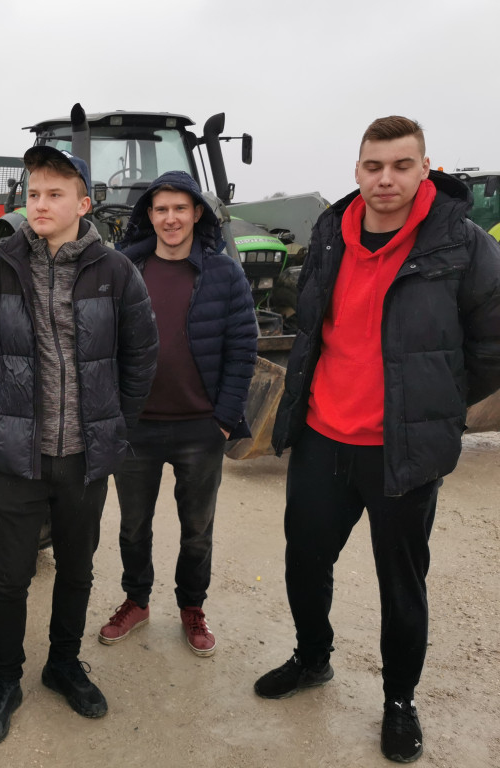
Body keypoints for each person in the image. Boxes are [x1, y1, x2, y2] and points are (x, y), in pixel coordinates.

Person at [253, 116, 500, 763]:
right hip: (323, 440)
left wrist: (436, 404)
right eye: (373, 165)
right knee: (304, 560)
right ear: (357, 170)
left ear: (426, 168)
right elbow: (311, 327)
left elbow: (492, 348)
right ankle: (312, 660)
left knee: (401, 582)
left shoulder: (463, 245)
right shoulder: (331, 234)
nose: (385, 178)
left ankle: (398, 701)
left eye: (400, 165)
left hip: (403, 450)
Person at [0, 146, 158, 745]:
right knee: (10, 576)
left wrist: (117, 420)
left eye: (54, 194)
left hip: (86, 458)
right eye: (33, 193)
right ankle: (5, 680)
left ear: (83, 204)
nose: (40, 203)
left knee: (77, 568)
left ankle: (63, 664)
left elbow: (141, 354)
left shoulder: (117, 273)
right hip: (17, 455)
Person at [97, 171, 257, 655]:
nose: (170, 218)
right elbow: (100, 343)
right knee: (132, 526)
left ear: (196, 215)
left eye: (180, 209)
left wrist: (224, 418)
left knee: (197, 531)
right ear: (149, 214)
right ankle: (136, 600)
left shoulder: (223, 273)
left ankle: (192, 607)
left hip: (199, 428)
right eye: (161, 209)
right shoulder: (124, 268)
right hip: (137, 427)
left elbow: (242, 347)